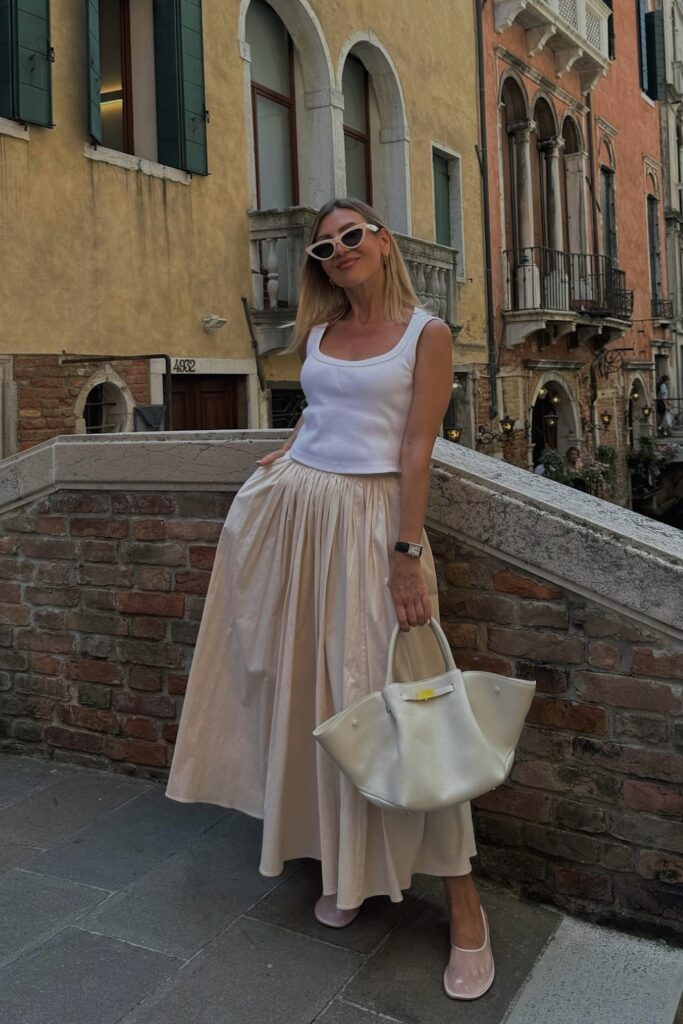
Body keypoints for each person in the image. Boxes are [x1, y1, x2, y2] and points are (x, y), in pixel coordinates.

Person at [166, 197, 494, 1001]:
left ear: (381, 242)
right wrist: (288, 449)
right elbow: (321, 409)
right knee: (315, 697)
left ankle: (465, 910)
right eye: (324, 247)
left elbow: (415, 446)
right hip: (299, 521)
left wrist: (406, 556)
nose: (339, 250)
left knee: (407, 704)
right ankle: (345, 870)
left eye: (351, 236)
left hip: (374, 527)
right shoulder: (317, 333)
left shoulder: (426, 333)